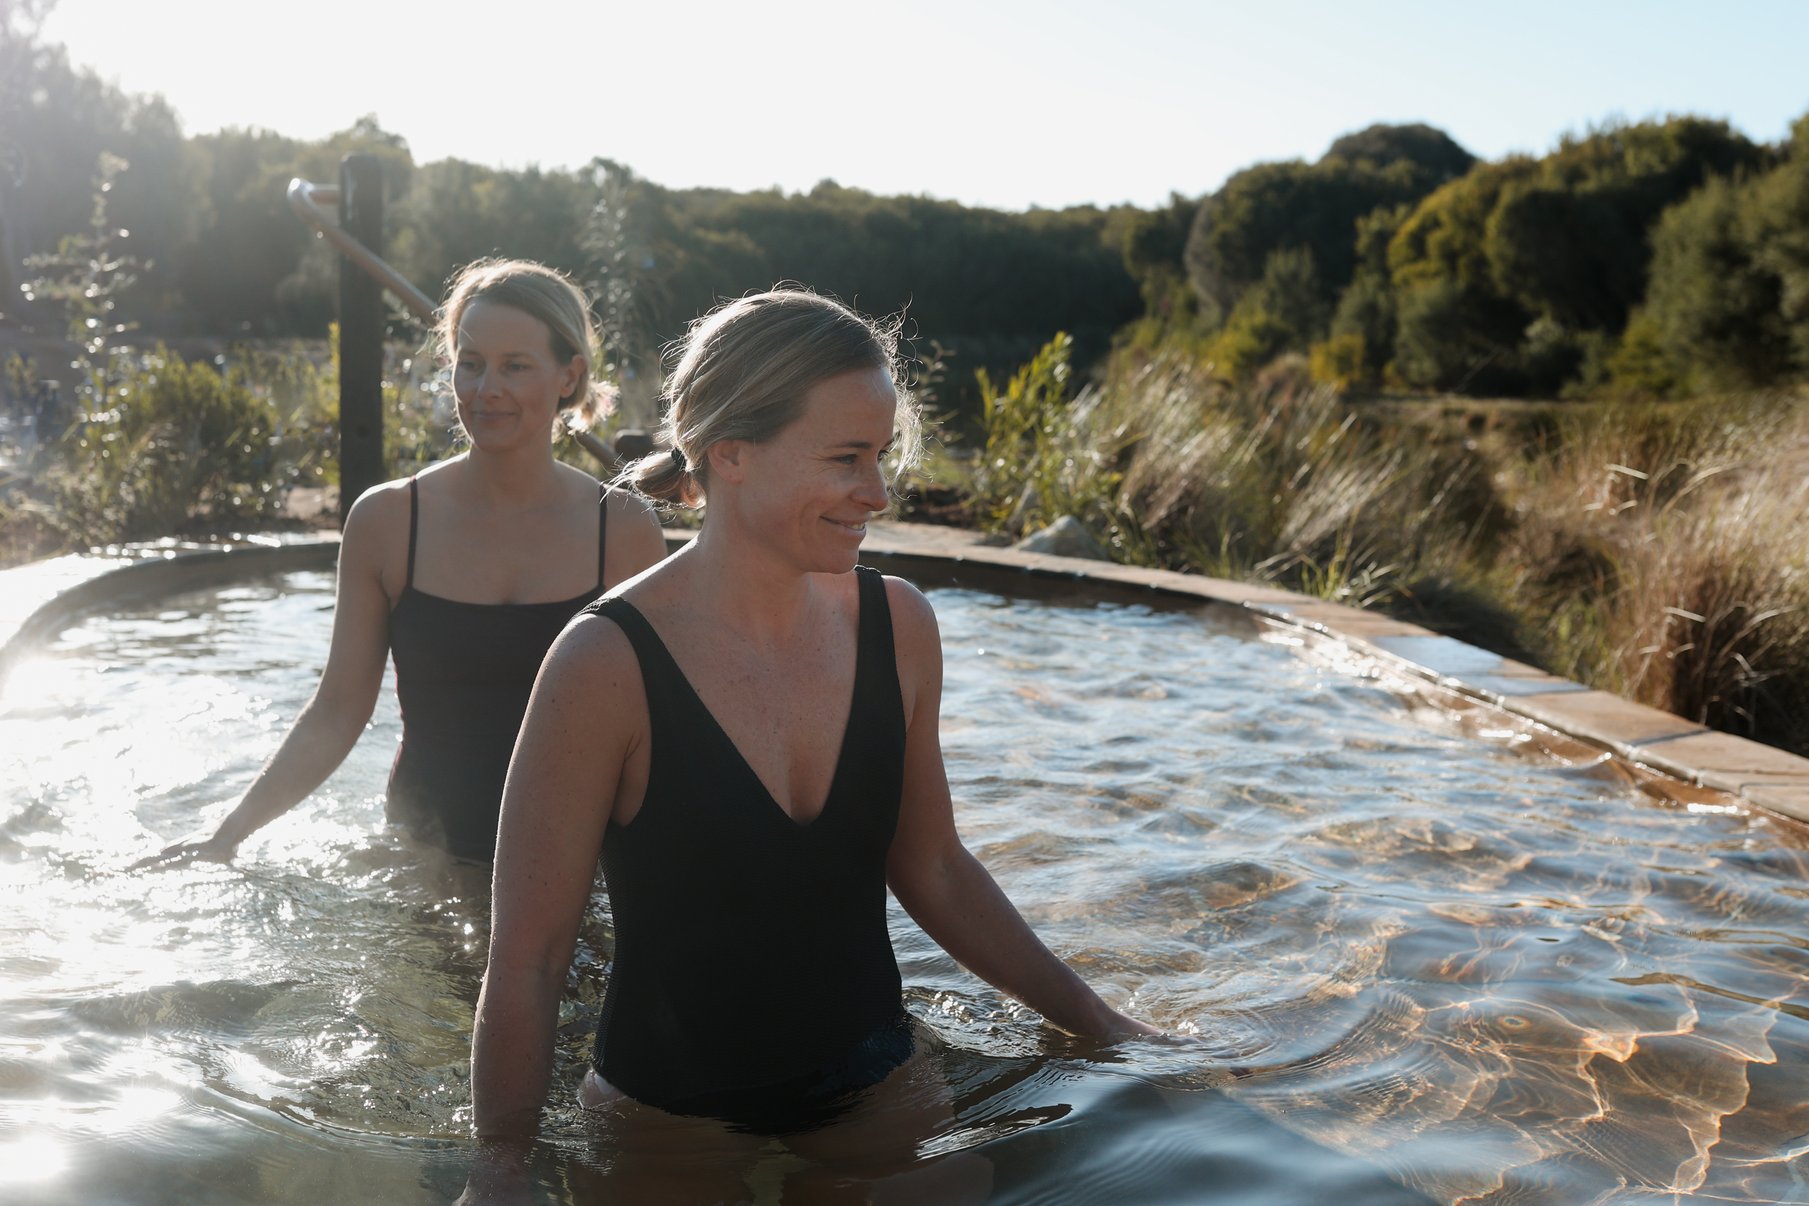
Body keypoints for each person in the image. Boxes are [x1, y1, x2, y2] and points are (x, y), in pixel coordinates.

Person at [461, 288, 1159, 1199]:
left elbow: (937, 868)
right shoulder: (603, 663)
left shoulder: (897, 624)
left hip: (874, 1081)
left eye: (877, 456)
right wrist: (500, 1163)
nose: (875, 492)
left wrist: (1101, 1023)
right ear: (731, 451)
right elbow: (531, 956)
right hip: (667, 1110)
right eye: (844, 459)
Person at [135, 258, 667, 866]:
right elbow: (338, 710)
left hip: (578, 864)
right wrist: (225, 838)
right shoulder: (387, 522)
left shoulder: (622, 530)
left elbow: (650, 733)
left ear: (568, 377)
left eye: (515, 367)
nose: (485, 388)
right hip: (423, 860)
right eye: (470, 364)